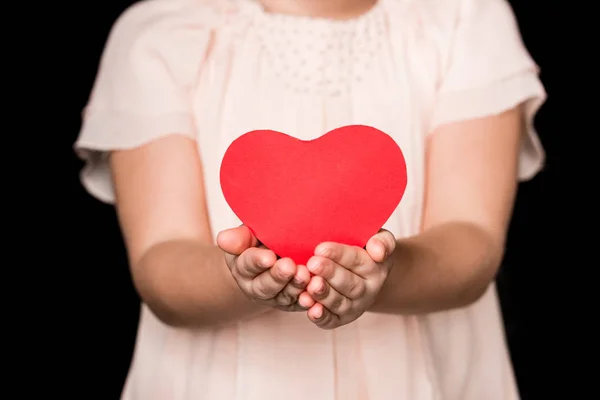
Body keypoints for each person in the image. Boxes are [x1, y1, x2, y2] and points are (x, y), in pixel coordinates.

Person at [74, 0, 546, 398]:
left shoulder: (465, 21)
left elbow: (472, 240)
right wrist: (243, 278)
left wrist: (381, 276)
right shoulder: (161, 38)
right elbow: (162, 264)